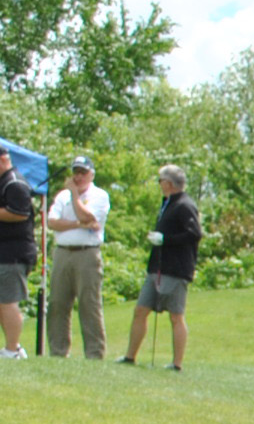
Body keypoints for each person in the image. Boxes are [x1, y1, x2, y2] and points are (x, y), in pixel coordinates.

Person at [121, 164, 199, 371]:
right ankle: (130, 356)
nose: (159, 185)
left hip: (176, 269)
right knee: (141, 310)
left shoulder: (184, 205)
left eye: (160, 181)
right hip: (157, 267)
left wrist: (166, 239)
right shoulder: (167, 203)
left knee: (176, 315)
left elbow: (193, 234)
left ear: (169, 183)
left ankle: (177, 363)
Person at [45, 155, 109, 360]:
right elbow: (52, 222)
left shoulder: (99, 195)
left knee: (89, 305)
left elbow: (88, 217)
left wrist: (74, 196)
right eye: (76, 172)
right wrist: (77, 225)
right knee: (57, 303)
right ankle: (58, 352)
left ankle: (94, 353)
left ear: (91, 174)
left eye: (83, 172)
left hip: (87, 253)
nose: (79, 177)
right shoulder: (61, 196)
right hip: (63, 252)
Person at [0, 144, 34, 360]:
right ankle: (12, 348)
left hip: (14, 253)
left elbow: (19, 213)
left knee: (8, 300)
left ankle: (13, 349)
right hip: (4, 252)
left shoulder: (15, 183)